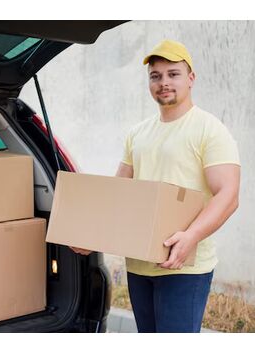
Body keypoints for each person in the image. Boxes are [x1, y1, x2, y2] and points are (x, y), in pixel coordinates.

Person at [71, 39, 241, 333]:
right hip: (139, 262)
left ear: (191, 78)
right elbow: (119, 192)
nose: (164, 82)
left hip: (184, 266)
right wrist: (92, 234)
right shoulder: (138, 134)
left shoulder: (209, 129)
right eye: (155, 76)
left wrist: (191, 236)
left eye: (173, 74)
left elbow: (228, 195)